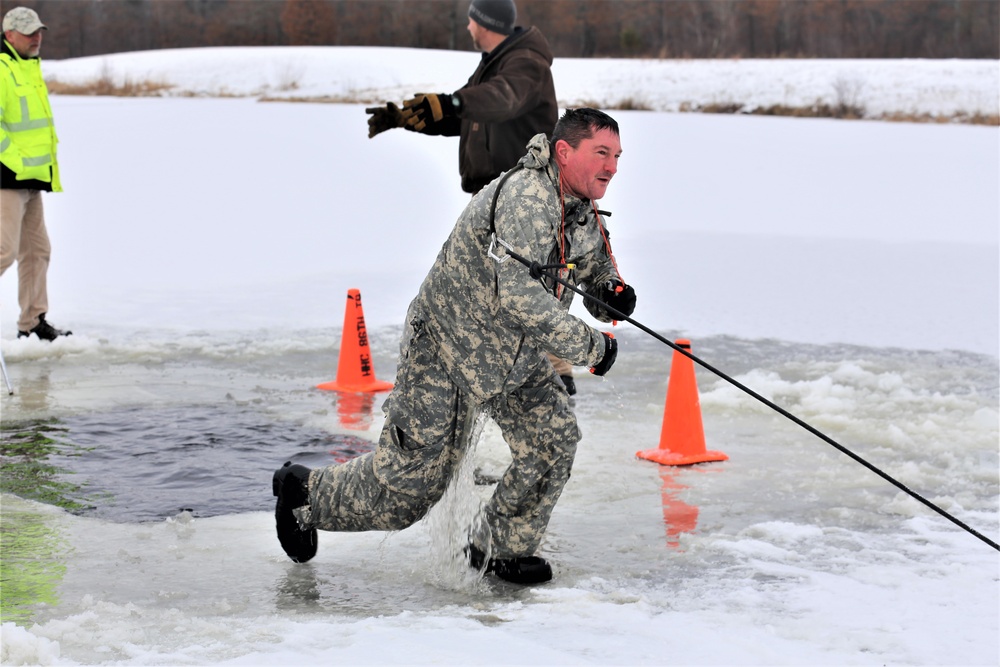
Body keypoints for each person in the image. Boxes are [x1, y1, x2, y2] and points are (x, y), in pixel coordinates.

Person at [273, 108, 637, 585]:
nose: (611, 166)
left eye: (617, 156)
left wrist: (612, 294)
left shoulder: (581, 207)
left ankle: (497, 548)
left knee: (553, 440)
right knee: (410, 490)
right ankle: (305, 494)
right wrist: (593, 346)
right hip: (446, 348)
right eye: (602, 153)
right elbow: (520, 295)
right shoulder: (528, 198)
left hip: (512, 355)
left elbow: (590, 270)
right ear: (565, 152)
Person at [366, 0, 584, 394]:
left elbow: (501, 99)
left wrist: (454, 101)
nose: (467, 25)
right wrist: (408, 118)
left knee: (521, 284)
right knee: (486, 283)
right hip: (496, 196)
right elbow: (471, 113)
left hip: (524, 199)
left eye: (471, 17)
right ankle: (486, 370)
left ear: (485, 22)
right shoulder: (496, 61)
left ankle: (555, 378)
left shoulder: (525, 62)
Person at [0, 6, 70, 341]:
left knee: (37, 250)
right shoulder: (1, 69)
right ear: (9, 34)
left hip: (32, 178)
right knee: (4, 252)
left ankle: (32, 323)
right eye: (29, 32)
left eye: (38, 31)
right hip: (7, 178)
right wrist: (15, 162)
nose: (36, 37)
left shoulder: (28, 68)